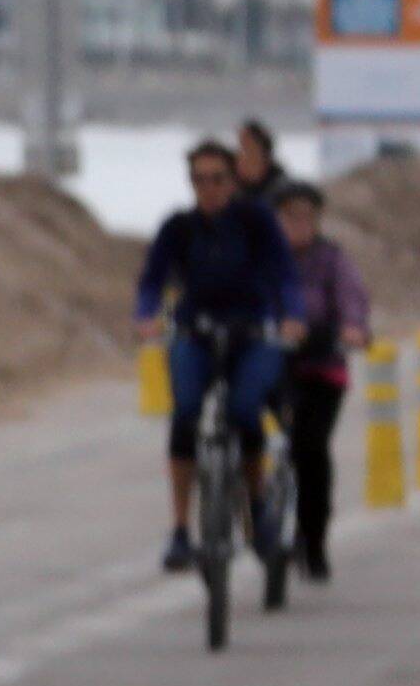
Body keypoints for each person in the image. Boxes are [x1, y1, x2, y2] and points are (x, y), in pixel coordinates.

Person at [131, 134, 296, 570]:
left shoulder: (256, 222)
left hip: (251, 334)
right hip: (197, 333)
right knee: (184, 413)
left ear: (233, 181)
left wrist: (291, 316)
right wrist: (146, 315)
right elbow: (151, 281)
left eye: (218, 178)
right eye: (200, 180)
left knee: (245, 411)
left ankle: (258, 508)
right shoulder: (178, 228)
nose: (209, 188)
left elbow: (285, 275)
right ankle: (181, 530)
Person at [267, 176, 373, 579]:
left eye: (306, 217)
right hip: (272, 366)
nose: (299, 224)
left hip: (321, 368)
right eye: (289, 217)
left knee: (311, 451)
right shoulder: (262, 259)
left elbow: (352, 296)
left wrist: (353, 328)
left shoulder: (331, 258)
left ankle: (313, 541)